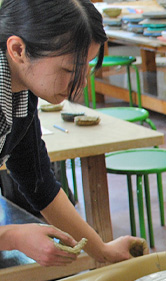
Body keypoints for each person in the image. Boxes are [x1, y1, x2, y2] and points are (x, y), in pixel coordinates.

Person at [0, 0, 144, 267]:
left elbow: (38, 182)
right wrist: (12, 236)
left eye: (85, 68)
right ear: (18, 49)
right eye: (67, 70)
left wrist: (103, 251)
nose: (79, 85)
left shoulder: (20, 91)